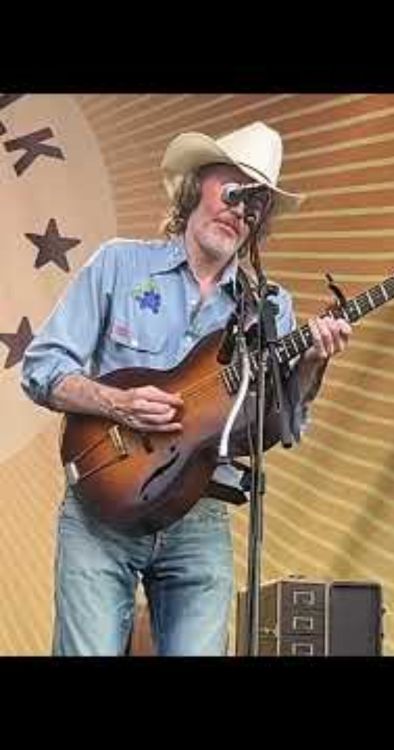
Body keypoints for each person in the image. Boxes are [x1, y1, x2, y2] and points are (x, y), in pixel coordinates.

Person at [21, 121, 352, 656]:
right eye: (233, 189)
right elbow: (41, 367)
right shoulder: (119, 264)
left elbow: (279, 428)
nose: (239, 209)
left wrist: (312, 364)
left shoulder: (267, 308)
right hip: (102, 504)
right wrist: (117, 402)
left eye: (256, 202)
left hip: (202, 513)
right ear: (197, 185)